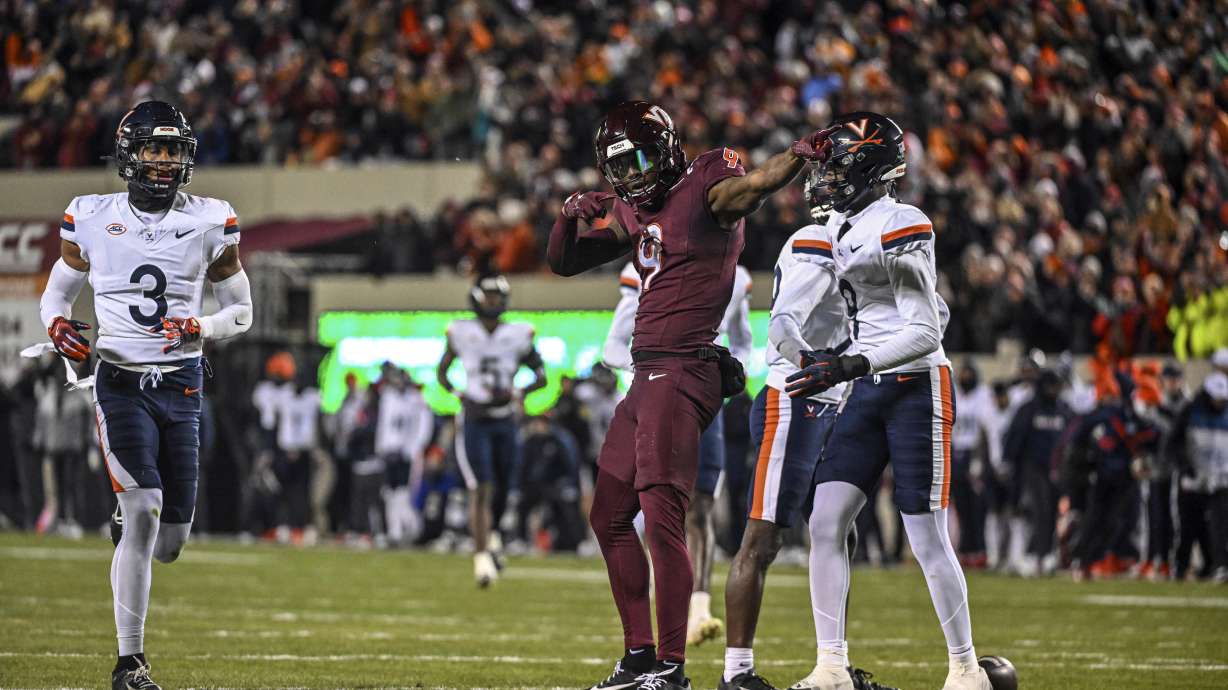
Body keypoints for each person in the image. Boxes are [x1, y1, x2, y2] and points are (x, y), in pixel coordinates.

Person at [548, 99, 835, 690]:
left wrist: (796, 157)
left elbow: (752, 187)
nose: (631, 177)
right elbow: (563, 262)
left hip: (682, 369)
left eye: (638, 161)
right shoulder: (636, 209)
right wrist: (568, 215)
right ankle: (638, 656)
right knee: (609, 515)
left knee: (663, 520)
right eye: (619, 168)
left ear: (667, 147)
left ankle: (671, 667)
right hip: (647, 373)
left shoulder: (706, 183)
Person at [38, 101, 252, 690]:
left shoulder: (210, 220)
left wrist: (201, 326)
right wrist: (57, 327)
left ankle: (128, 513)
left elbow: (243, 311)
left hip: (182, 384)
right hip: (120, 381)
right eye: (154, 149)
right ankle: (129, 662)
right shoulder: (90, 216)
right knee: (144, 511)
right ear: (129, 154)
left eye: (173, 150)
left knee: (171, 542)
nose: (164, 161)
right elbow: (57, 293)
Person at [784, 112, 992, 690]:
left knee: (924, 534)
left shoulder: (903, 222)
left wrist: (850, 363)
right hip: (868, 384)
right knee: (825, 520)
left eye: (835, 166)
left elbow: (926, 330)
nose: (824, 178)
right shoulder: (837, 226)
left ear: (870, 168)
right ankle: (831, 666)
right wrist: (810, 352)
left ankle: (965, 669)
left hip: (915, 385)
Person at [720, 176, 896, 690]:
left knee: (837, 531)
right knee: (763, 538)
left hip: (835, 401)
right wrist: (810, 364)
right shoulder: (817, 242)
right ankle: (736, 674)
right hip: (795, 401)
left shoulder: (856, 247)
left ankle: (833, 665)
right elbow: (781, 326)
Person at [603, 259, 753, 647]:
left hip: (703, 404)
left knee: (701, 506)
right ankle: (657, 613)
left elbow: (743, 342)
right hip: (654, 402)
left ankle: (699, 609)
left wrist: (729, 371)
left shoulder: (735, 276)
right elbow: (613, 346)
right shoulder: (648, 266)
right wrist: (658, 371)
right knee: (652, 510)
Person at [436, 274, 546, 587]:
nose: (493, 302)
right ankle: (482, 558)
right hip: (475, 419)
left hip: (505, 419)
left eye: (498, 297)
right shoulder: (461, 331)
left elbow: (541, 375)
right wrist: (458, 394)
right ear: (476, 299)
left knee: (503, 487)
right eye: (489, 297)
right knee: (481, 486)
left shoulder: (518, 333)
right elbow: (442, 372)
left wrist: (519, 393)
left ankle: (494, 535)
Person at [1169, 371, 1228, 582]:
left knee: (1220, 526)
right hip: (1193, 479)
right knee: (1189, 526)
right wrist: (1184, 466)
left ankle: (1219, 565)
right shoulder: (1190, 411)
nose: (1220, 403)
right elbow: (1173, 442)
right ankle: (1181, 567)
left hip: (1221, 478)